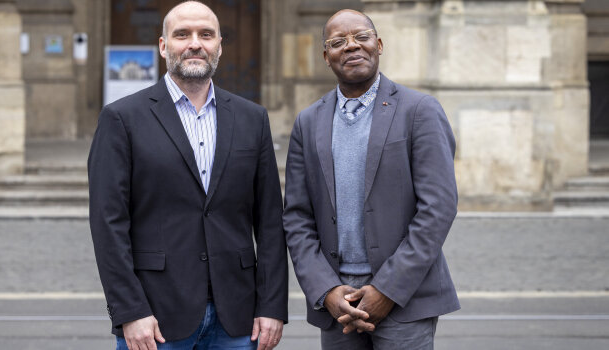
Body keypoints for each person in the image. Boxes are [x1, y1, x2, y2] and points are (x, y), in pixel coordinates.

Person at [88, 2, 287, 350]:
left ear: (219, 46)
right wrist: (129, 311)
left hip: (238, 321)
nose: (195, 43)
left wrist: (272, 306)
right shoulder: (121, 119)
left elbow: (270, 222)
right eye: (182, 34)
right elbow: (108, 223)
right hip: (155, 320)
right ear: (164, 46)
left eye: (205, 35)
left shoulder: (252, 118)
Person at [283, 9, 460, 349]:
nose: (351, 47)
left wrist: (387, 290)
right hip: (339, 302)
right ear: (326, 56)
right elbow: (296, 216)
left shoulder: (419, 110)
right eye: (338, 42)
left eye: (361, 37)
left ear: (378, 44)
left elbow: (438, 209)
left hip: (405, 298)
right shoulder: (308, 122)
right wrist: (325, 289)